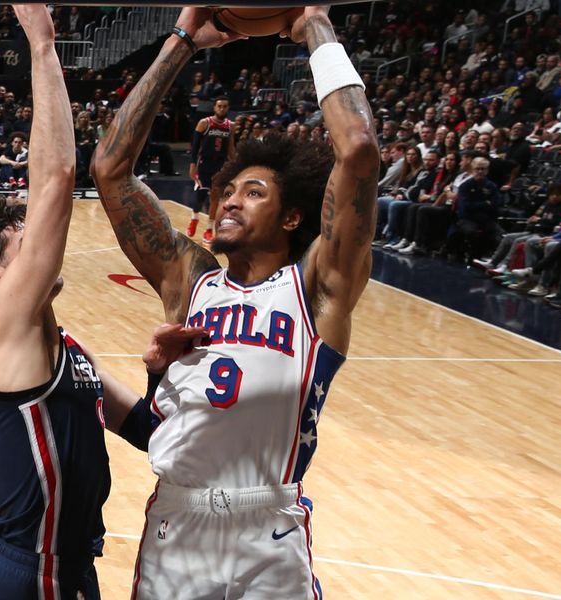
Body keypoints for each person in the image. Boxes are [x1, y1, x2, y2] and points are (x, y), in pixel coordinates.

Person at [92, 6, 378, 597]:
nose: (228, 202)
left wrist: (315, 25)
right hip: (180, 521)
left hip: (269, 525)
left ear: (294, 215)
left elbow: (358, 151)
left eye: (254, 192)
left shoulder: (318, 288)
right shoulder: (190, 279)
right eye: (227, 191)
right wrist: (181, 40)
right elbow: (110, 169)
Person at [0, 7, 203, 598]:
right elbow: (56, 175)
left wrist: (158, 374)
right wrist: (42, 42)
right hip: (28, 571)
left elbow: (149, 431)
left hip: (71, 568)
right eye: (24, 241)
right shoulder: (4, 333)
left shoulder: (69, 350)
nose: (43, 240)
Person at [187, 95, 234, 244]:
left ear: (228, 108)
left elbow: (231, 148)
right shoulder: (204, 123)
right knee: (200, 198)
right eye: (219, 106)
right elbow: (194, 147)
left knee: (215, 198)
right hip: (203, 164)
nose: (222, 109)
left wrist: (237, 164)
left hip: (220, 166)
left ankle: (209, 230)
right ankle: (194, 219)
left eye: (225, 106)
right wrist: (193, 165)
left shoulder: (230, 126)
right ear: (214, 108)